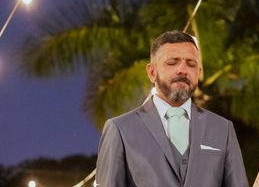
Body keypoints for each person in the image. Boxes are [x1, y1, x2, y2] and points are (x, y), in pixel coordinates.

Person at [96, 31, 249, 187]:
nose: (182, 70)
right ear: (152, 72)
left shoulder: (222, 129)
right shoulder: (120, 129)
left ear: (199, 72)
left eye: (191, 64)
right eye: (172, 62)